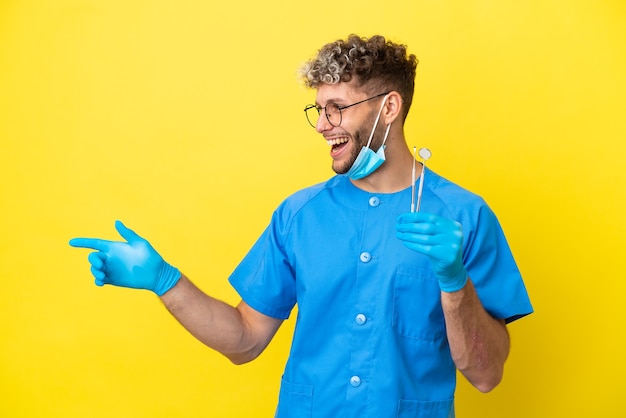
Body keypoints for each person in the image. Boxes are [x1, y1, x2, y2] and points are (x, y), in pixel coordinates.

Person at [70, 34, 533, 418]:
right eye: (318, 109)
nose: (322, 125)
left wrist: (455, 286)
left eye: (337, 108)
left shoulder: (464, 216)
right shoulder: (300, 214)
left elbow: (487, 375)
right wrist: (165, 280)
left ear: (389, 107)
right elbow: (244, 340)